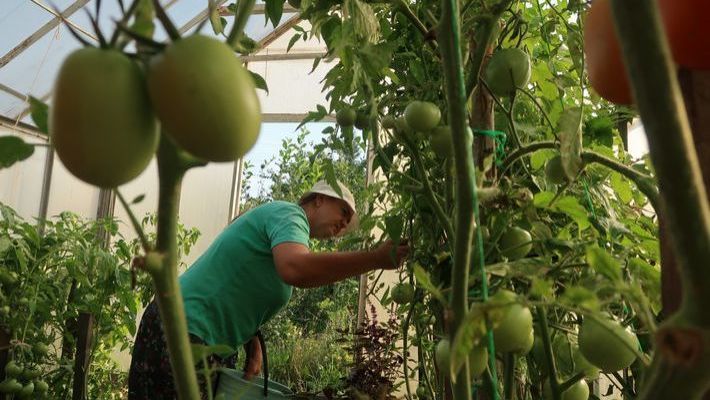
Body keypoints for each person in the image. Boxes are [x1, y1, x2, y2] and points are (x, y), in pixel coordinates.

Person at [128, 180, 409, 399]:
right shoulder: (290, 214)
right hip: (183, 329)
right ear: (320, 198)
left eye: (349, 222)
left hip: (205, 339)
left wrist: (253, 344)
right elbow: (295, 268)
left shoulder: (286, 233)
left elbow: (239, 278)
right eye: (344, 212)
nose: (345, 224)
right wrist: (375, 259)